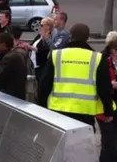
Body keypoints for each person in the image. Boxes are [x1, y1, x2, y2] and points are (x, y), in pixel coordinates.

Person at [38, 23, 115, 162]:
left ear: (71, 37)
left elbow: (44, 84)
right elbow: (104, 88)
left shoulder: (57, 55)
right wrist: (108, 111)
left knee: (59, 149)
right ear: (87, 38)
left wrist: (42, 107)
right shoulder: (96, 58)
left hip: (58, 111)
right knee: (81, 152)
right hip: (85, 113)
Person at [0, 32, 27, 100]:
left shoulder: (9, 58)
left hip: (10, 97)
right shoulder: (16, 54)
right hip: (16, 95)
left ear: (3, 45)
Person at [31, 17, 53, 82]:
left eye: (42, 25)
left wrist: (30, 47)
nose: (40, 27)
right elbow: (32, 44)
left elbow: (44, 51)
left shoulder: (49, 37)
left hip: (41, 65)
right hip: (34, 64)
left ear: (48, 26)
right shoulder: (39, 35)